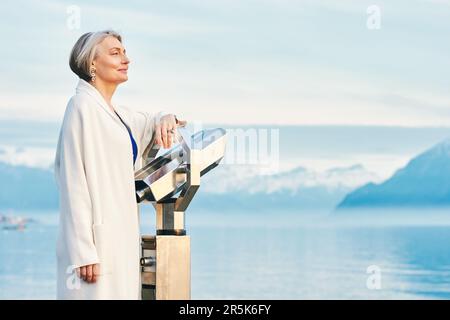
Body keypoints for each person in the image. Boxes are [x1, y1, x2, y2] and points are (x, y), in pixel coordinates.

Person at [54, 30, 186, 299]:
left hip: (121, 242)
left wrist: (165, 118)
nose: (126, 59)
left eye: (125, 53)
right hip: (94, 249)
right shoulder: (81, 106)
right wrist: (82, 251)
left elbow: (152, 119)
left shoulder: (118, 115)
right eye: (115, 53)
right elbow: (73, 181)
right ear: (91, 63)